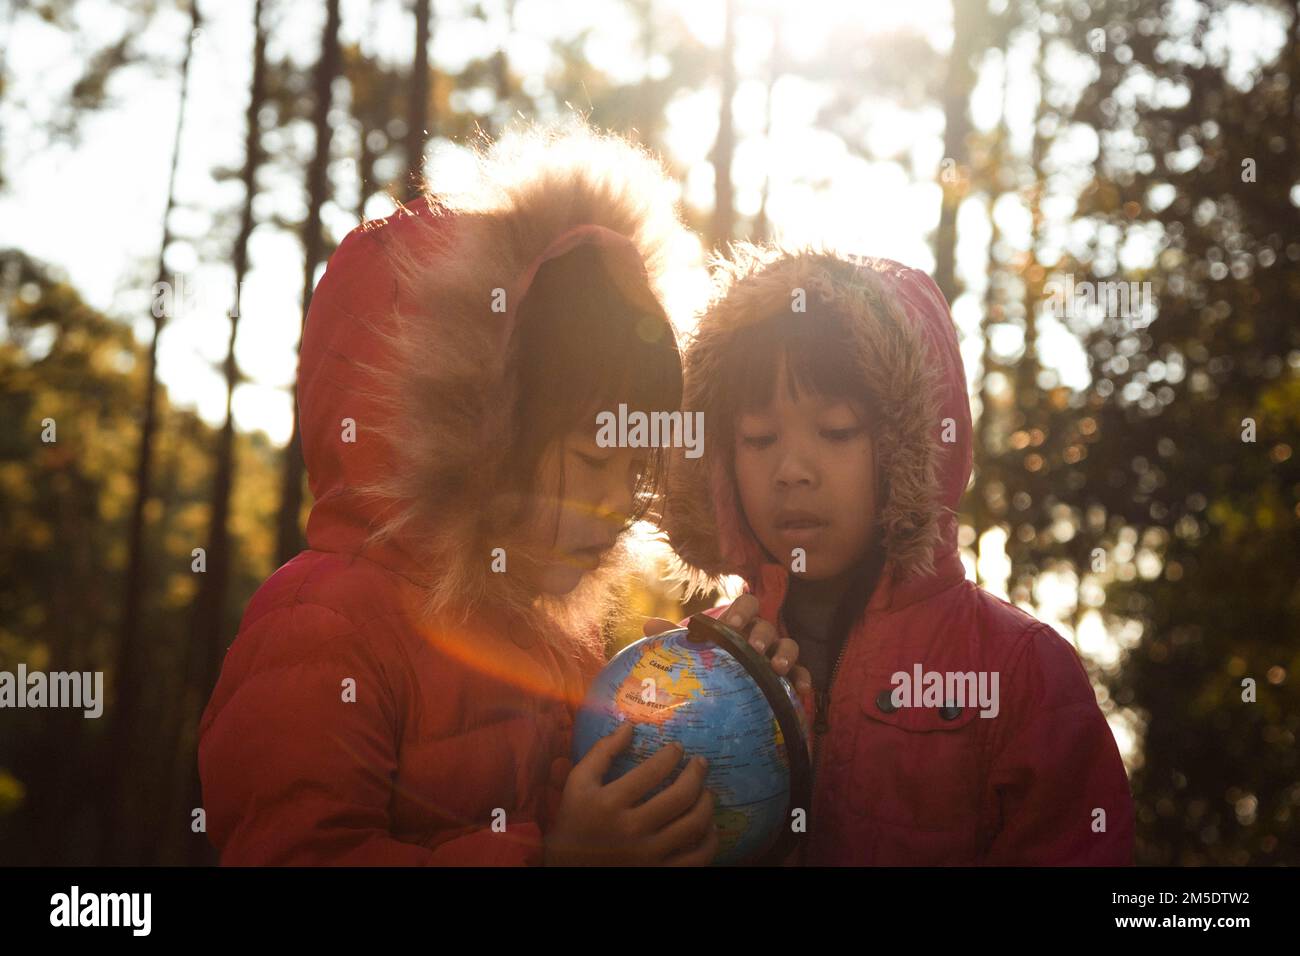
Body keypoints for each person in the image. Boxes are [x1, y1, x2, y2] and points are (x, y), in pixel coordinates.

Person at [197, 124, 802, 866]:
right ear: (468, 437)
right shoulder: (323, 626)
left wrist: (707, 689)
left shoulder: (551, 636)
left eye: (637, 464)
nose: (620, 505)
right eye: (591, 456)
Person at [658, 245, 1136, 865]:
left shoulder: (1022, 674)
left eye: (835, 431)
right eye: (758, 438)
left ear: (909, 447)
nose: (792, 470)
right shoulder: (702, 663)